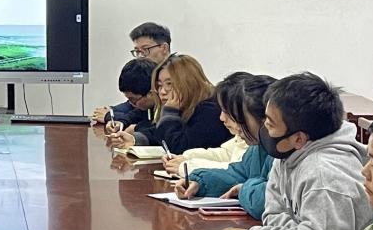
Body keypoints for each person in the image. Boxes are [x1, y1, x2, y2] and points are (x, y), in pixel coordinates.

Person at [212, 72, 373, 230]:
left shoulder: (323, 176)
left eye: (270, 124)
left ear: (299, 138)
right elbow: (272, 213)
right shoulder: (287, 154)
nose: (264, 129)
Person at [175, 74, 276, 219]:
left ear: (264, 117)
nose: (222, 118)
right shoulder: (258, 148)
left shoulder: (283, 151)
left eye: (233, 114)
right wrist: (199, 182)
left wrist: (244, 189)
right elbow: (236, 173)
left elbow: (269, 198)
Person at [109, 54, 230, 153]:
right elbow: (161, 133)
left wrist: (170, 112)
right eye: (159, 85)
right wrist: (135, 139)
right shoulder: (186, 105)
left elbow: (178, 147)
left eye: (169, 84)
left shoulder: (211, 109)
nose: (162, 92)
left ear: (190, 83)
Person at [162, 71, 251, 173]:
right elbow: (226, 154)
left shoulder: (207, 110)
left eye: (227, 111)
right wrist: (186, 157)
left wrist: (188, 166)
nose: (222, 118)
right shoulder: (242, 135)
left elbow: (238, 171)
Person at [90, 58, 157, 130]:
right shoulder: (147, 107)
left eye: (133, 100)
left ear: (151, 94)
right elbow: (134, 115)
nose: (131, 104)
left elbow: (156, 127)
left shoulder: (164, 109)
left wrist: (135, 128)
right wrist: (121, 123)